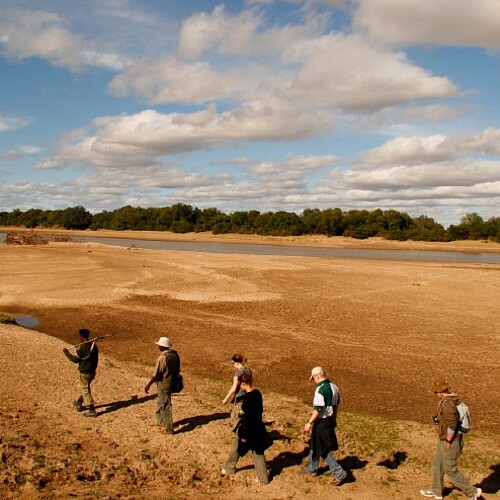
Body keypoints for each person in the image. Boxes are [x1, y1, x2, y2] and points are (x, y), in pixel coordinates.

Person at [420, 377, 482, 500]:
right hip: (444, 440)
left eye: (436, 392)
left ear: (441, 391)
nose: (435, 394)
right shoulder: (449, 400)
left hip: (451, 441)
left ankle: (472, 492)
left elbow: (452, 424)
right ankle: (436, 491)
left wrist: (448, 440)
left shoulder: (448, 404)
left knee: (450, 469)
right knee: (437, 464)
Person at [222, 372, 269, 484]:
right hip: (258, 428)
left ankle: (229, 468)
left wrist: (244, 435)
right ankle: (263, 479)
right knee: (258, 453)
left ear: (244, 383)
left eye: (240, 385)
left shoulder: (248, 399)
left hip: (248, 429)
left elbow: (248, 418)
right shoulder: (257, 393)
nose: (240, 388)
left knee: (237, 448)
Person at [304, 366, 347, 485]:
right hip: (329, 420)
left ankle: (338, 472)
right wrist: (334, 419)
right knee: (315, 443)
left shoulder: (320, 390)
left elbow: (318, 409)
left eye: (313, 378)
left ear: (317, 376)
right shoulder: (334, 387)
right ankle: (312, 468)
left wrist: (310, 422)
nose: (313, 381)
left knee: (322, 448)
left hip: (321, 422)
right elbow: (335, 406)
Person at [144, 336, 181, 434]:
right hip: (173, 382)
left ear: (162, 347)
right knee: (161, 401)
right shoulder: (175, 355)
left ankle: (169, 428)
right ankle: (161, 421)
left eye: (159, 345)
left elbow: (156, 374)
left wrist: (148, 385)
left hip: (164, 383)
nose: (158, 347)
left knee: (166, 404)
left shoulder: (162, 357)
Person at [63, 328, 99, 417]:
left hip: (85, 372)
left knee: (85, 389)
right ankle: (78, 403)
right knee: (82, 387)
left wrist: (66, 353)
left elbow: (75, 360)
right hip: (92, 372)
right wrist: (79, 349)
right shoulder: (93, 346)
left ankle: (91, 409)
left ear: (81, 336)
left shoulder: (83, 348)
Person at [222, 353, 252, 425]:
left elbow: (234, 388)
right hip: (248, 395)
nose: (233, 365)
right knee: (242, 413)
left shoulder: (238, 373)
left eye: (233, 363)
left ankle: (241, 431)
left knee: (236, 416)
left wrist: (226, 399)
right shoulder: (248, 370)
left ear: (237, 362)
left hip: (239, 396)